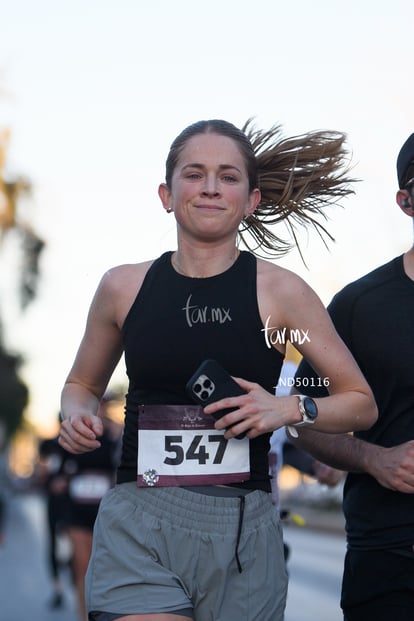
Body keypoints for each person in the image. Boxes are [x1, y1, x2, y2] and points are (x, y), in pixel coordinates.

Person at [58, 118, 377, 621]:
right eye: (194, 173)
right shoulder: (122, 287)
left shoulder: (283, 294)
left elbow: (359, 400)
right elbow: (81, 385)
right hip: (139, 519)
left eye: (228, 176)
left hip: (241, 532)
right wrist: (76, 415)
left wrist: (287, 408)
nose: (210, 187)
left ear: (250, 200)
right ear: (166, 194)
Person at [290, 133, 414, 621]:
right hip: (392, 558)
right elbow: (300, 421)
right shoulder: (360, 307)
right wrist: (373, 458)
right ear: (405, 201)